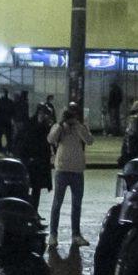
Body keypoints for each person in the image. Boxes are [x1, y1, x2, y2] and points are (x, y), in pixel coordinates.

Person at [48, 103, 92, 241]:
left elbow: (90, 141)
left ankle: (76, 234)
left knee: (77, 204)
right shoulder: (59, 126)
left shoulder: (81, 127)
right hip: (62, 169)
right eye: (70, 115)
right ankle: (53, 234)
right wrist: (61, 125)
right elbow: (50, 139)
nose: (72, 118)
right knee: (57, 204)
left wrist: (78, 125)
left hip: (77, 170)